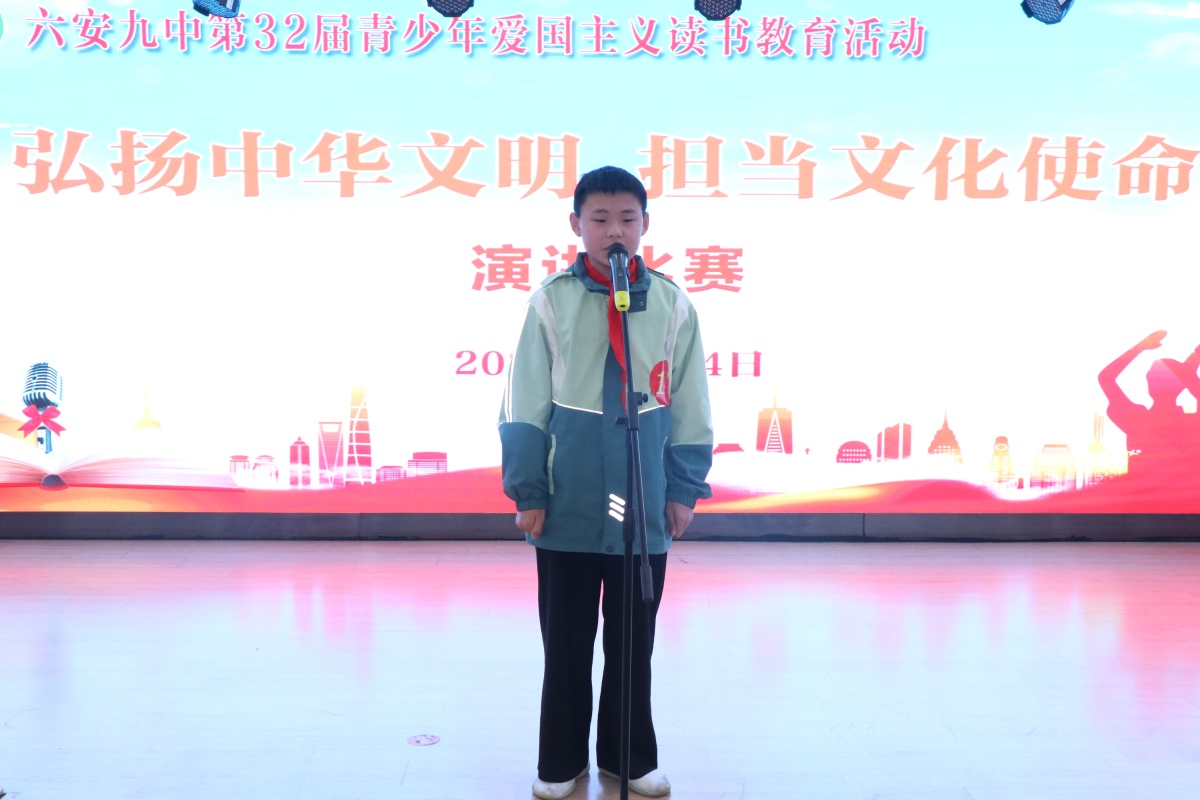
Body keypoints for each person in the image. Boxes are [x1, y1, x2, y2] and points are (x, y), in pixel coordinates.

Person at [498, 166, 714, 799]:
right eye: (599, 219)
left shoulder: (672, 303)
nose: (614, 231)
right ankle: (561, 761)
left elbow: (692, 402)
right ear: (576, 225)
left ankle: (628, 758)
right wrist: (528, 490)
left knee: (632, 644)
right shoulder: (550, 301)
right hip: (569, 500)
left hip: (642, 502)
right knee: (566, 643)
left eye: (626, 219)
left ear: (645, 225)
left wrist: (684, 488)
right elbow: (523, 402)